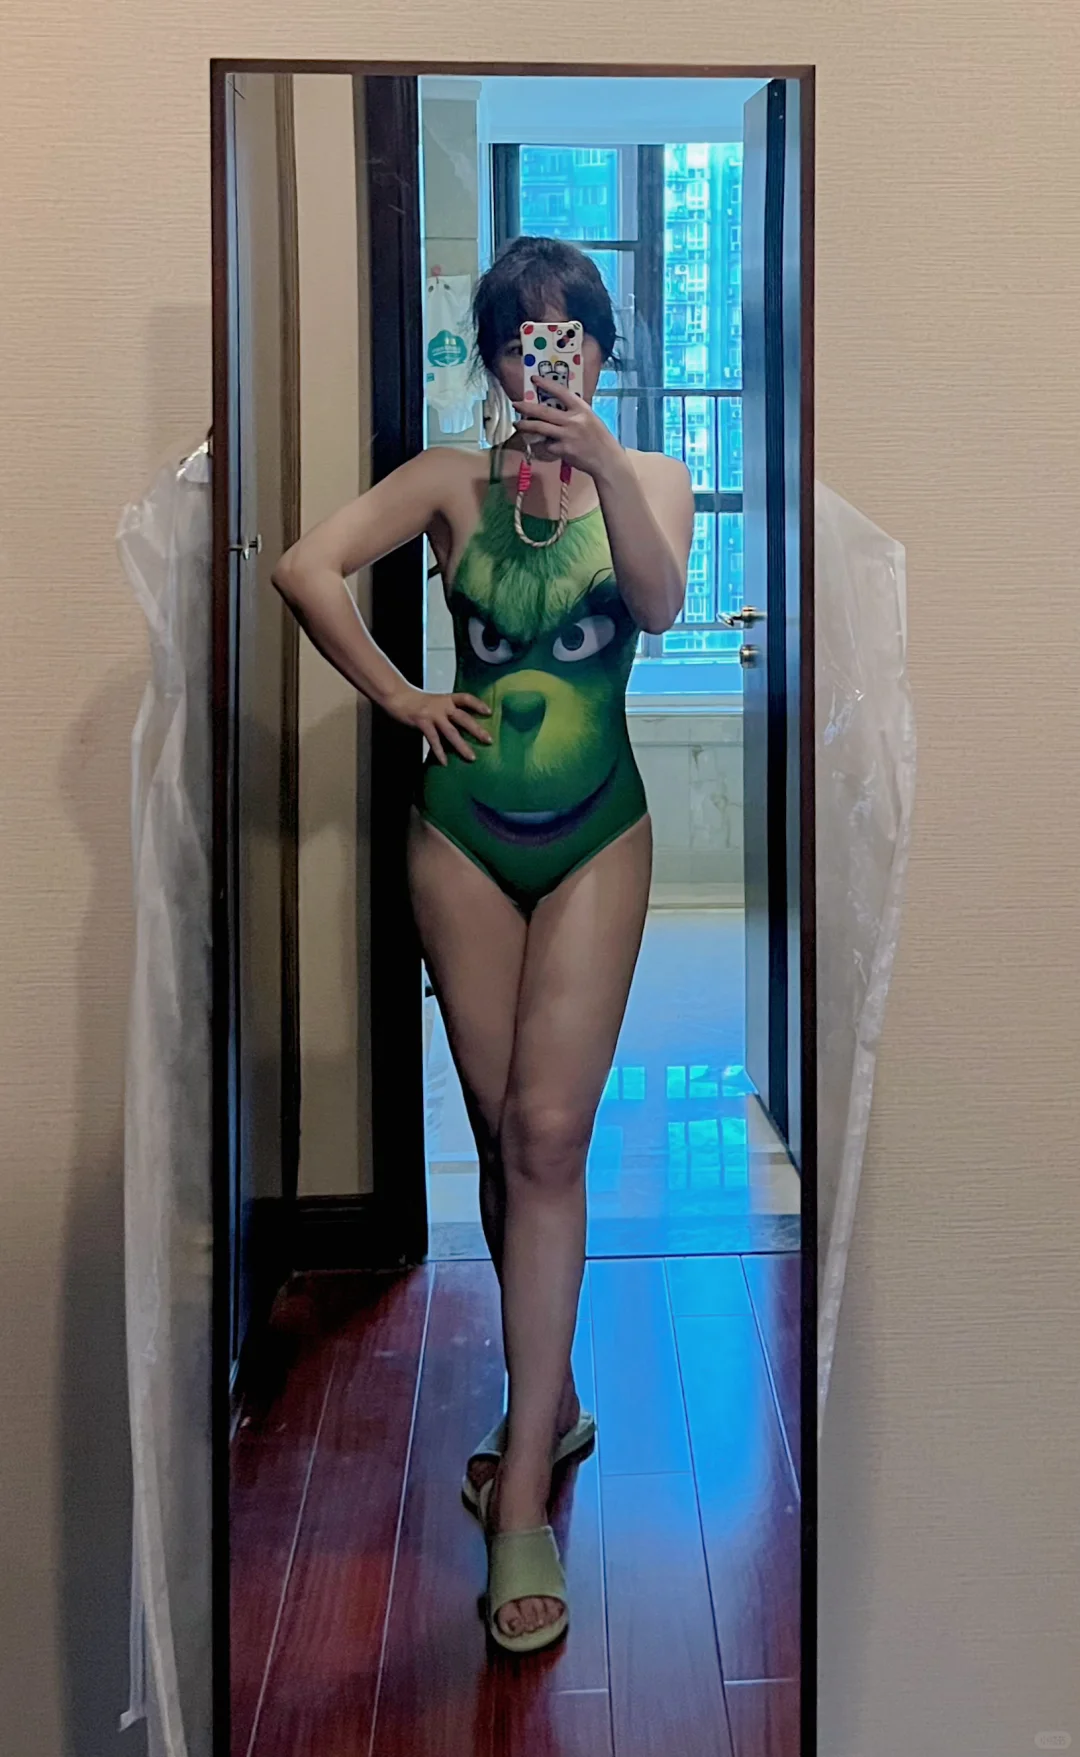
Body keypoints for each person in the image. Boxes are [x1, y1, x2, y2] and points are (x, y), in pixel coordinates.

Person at [273, 235, 694, 1653]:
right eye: (522, 337)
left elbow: (658, 605)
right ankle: (550, 1402)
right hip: (458, 837)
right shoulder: (452, 484)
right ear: (497, 357)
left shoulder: (653, 478)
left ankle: (520, 1488)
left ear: (604, 350)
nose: (543, 356)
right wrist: (400, 697)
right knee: (506, 1134)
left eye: (568, 335)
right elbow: (305, 568)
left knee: (553, 1134)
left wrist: (601, 460)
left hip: (599, 832)